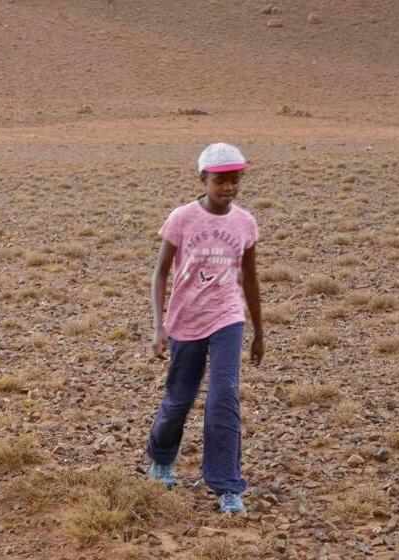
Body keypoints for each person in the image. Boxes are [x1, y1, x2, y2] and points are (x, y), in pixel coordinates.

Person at [146, 143, 264, 514]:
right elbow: (160, 273)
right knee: (179, 400)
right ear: (203, 178)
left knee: (223, 399)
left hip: (228, 317)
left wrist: (259, 331)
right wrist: (159, 327)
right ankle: (161, 457)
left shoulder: (244, 222)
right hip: (186, 319)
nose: (228, 187)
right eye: (220, 180)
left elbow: (250, 277)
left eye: (235, 180)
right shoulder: (182, 217)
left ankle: (227, 485)